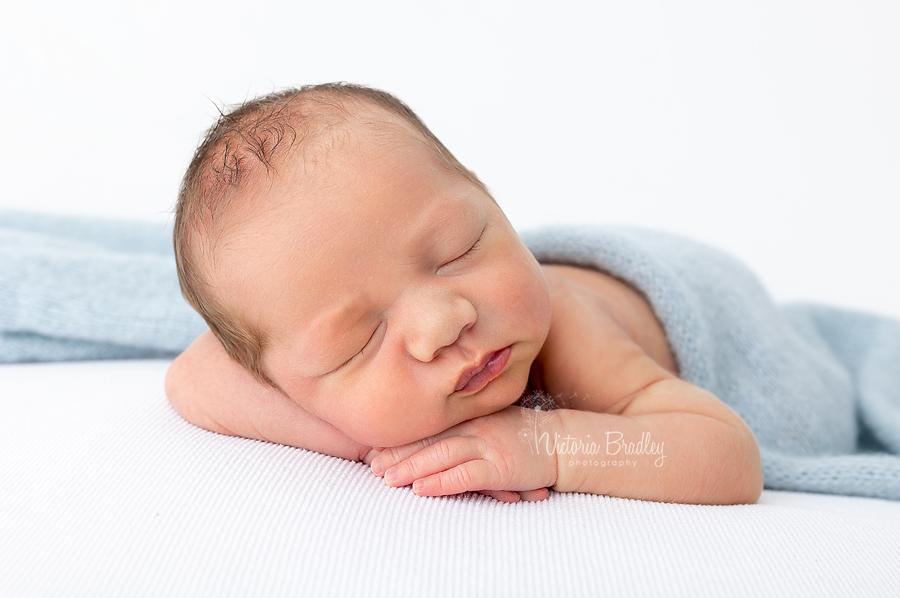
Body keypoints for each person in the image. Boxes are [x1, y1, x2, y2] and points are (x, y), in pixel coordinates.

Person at [165, 83, 764, 505]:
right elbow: (192, 378)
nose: (442, 322)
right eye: (359, 341)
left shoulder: (568, 330)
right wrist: (378, 432)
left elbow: (726, 453)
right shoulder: (290, 361)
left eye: (457, 251)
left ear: (490, 199)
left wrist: (551, 443)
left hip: (694, 295)